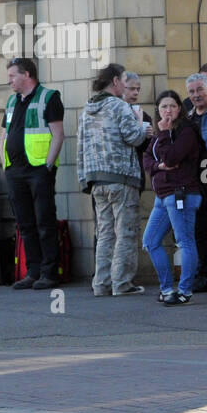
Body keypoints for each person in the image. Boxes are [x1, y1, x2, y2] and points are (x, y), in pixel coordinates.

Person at [77, 63, 152, 297]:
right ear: (116, 82)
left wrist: (84, 179)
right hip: (121, 177)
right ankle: (122, 283)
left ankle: (101, 283)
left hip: (96, 180)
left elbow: (80, 145)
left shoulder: (87, 111)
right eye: (123, 80)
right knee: (126, 231)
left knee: (105, 233)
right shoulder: (120, 107)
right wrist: (143, 128)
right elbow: (133, 137)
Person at [1, 56, 65, 290]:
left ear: (27, 74)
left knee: (44, 221)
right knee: (25, 223)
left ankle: (49, 272)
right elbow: (4, 135)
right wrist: (5, 164)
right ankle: (33, 271)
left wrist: (48, 166)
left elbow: (58, 134)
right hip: (15, 171)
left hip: (38, 170)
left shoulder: (48, 97)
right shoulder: (11, 102)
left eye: (12, 76)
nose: (9, 81)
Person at [142, 90, 201, 306]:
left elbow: (173, 157)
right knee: (150, 241)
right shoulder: (160, 134)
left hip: (182, 193)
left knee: (185, 241)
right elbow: (147, 159)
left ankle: (184, 291)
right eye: (164, 107)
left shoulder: (186, 131)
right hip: (163, 195)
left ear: (179, 109)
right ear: (158, 110)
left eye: (173, 106)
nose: (168, 111)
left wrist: (165, 136)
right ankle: (167, 289)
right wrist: (159, 166)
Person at [185, 73, 207, 292]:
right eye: (191, 92)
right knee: (199, 230)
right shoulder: (188, 119)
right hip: (196, 184)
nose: (196, 95)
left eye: (200, 90)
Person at [122, 70, 155, 193]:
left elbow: (146, 149)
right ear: (121, 87)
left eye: (138, 89)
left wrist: (148, 137)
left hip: (136, 173)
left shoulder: (144, 116)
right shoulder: (112, 114)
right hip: (116, 173)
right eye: (131, 89)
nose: (135, 92)